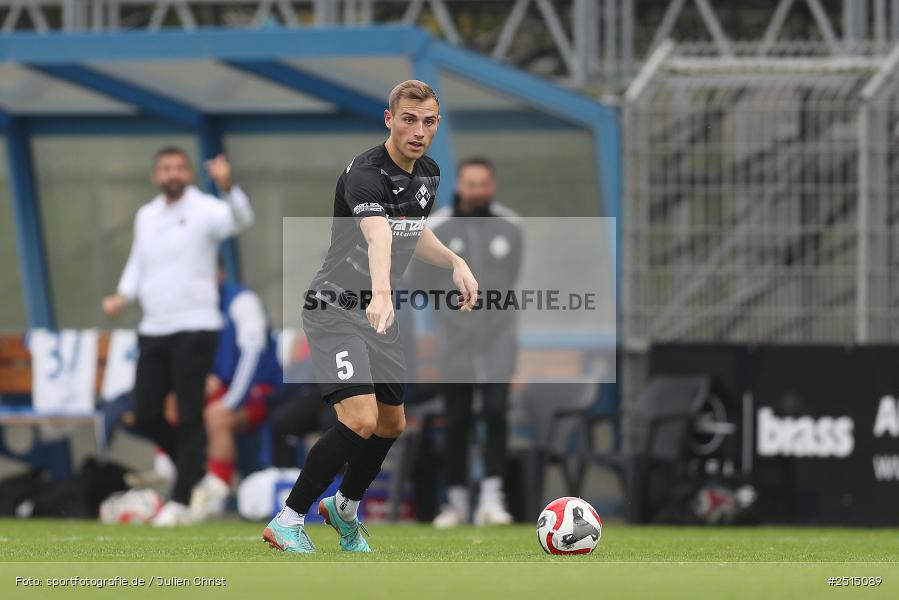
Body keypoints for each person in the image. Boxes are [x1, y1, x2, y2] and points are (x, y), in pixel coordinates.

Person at [262, 80, 479, 554]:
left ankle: (344, 508)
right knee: (359, 419)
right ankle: (288, 518)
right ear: (390, 119)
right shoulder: (365, 173)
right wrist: (381, 291)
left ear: (437, 125)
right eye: (408, 119)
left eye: (428, 122)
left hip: (376, 313)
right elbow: (379, 236)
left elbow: (409, 234)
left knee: (391, 424)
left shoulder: (429, 174)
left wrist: (457, 262)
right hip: (335, 308)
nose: (418, 130)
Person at [102, 148, 253, 526]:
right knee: (147, 412)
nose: (173, 174)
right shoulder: (146, 215)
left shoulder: (206, 208)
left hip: (196, 325)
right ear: (156, 175)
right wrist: (123, 295)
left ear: (188, 173)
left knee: (189, 415)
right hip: (154, 328)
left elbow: (241, 219)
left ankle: (182, 499)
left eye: (179, 168)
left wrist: (228, 186)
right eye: (166, 168)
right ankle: (196, 472)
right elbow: (138, 262)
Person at [418, 158, 523, 528]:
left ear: (491, 186)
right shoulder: (438, 226)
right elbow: (423, 282)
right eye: (470, 183)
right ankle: (457, 501)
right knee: (458, 419)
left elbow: (509, 278)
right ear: (459, 185)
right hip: (456, 341)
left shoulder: (511, 227)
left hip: (498, 337)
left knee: (495, 412)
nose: (476, 190)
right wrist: (452, 316)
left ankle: (493, 499)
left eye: (483, 183)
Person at [189, 265, 283, 522]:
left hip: (259, 391)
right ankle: (175, 483)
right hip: (220, 389)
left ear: (221, 273)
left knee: (217, 417)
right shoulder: (192, 308)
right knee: (173, 405)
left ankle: (213, 499)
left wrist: (230, 402)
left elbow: (252, 355)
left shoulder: (242, 301)